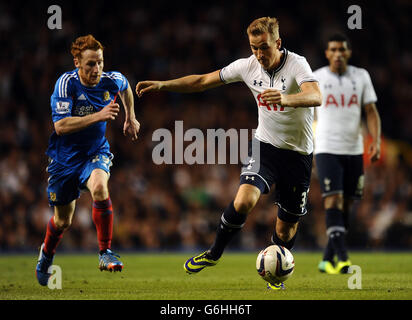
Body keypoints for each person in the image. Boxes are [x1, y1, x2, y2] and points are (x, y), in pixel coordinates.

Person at [136, 17, 321, 290]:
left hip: (298, 155)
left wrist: (285, 99)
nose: (259, 54)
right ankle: (213, 253)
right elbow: (201, 81)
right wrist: (164, 85)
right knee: (245, 199)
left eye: (264, 48)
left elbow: (315, 95)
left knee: (285, 230)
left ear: (278, 43)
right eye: (254, 47)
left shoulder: (297, 64)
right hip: (265, 147)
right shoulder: (247, 66)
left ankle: (275, 271)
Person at [35, 34, 140, 286]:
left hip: (95, 152)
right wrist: (99, 115)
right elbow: (60, 126)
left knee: (101, 187)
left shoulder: (110, 80)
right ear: (77, 63)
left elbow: (125, 87)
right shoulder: (66, 84)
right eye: (91, 64)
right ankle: (46, 255)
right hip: (64, 160)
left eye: (100, 62)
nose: (97, 69)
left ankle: (105, 252)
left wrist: (130, 118)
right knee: (63, 221)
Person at [313, 34, 381, 274]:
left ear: (348, 53)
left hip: (354, 149)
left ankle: (326, 259)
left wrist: (376, 141)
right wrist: (308, 147)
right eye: (333, 49)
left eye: (342, 49)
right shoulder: (317, 78)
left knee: (347, 206)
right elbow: (309, 115)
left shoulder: (361, 76)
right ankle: (342, 259)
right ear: (327, 53)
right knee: (334, 200)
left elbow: (370, 111)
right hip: (326, 148)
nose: (338, 54)